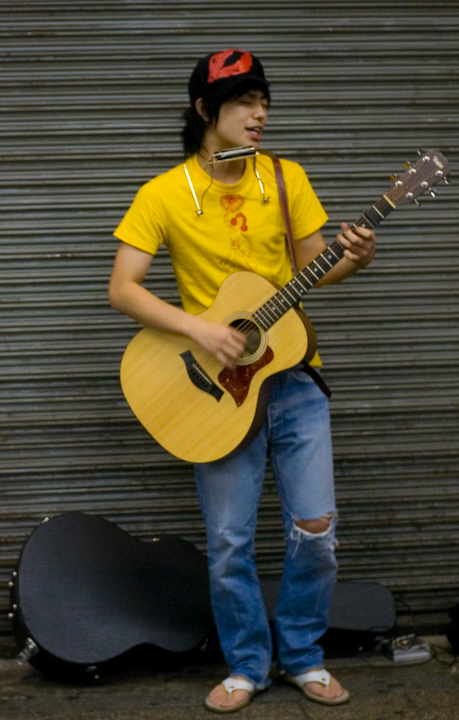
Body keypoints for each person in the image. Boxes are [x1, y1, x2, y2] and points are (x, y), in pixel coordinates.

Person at [109, 49, 376, 712]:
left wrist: (356, 258)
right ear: (205, 110)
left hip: (291, 379)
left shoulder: (285, 180)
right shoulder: (163, 193)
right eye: (242, 102)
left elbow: (317, 267)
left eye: (263, 102)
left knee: (316, 528)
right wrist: (200, 329)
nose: (258, 114)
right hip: (213, 390)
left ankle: (303, 657)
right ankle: (247, 665)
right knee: (229, 543)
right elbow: (122, 287)